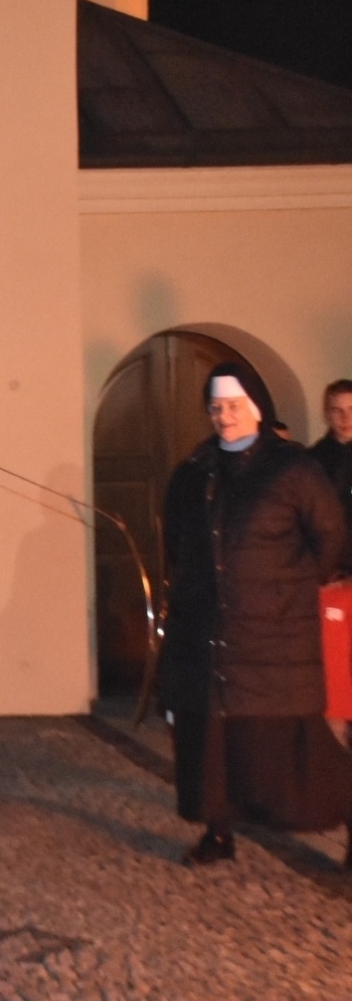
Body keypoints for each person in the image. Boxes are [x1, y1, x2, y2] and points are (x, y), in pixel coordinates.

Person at [159, 362, 352, 867]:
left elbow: (330, 536)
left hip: (276, 636)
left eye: (234, 407)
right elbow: (176, 543)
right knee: (216, 745)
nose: (224, 417)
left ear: (257, 409)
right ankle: (218, 833)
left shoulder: (293, 469)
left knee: (292, 750)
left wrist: (291, 584)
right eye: (215, 408)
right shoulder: (193, 471)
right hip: (211, 634)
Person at [308, 378, 352, 577]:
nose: (345, 418)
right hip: (328, 561)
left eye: (351, 409)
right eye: (337, 411)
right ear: (327, 414)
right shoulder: (313, 459)